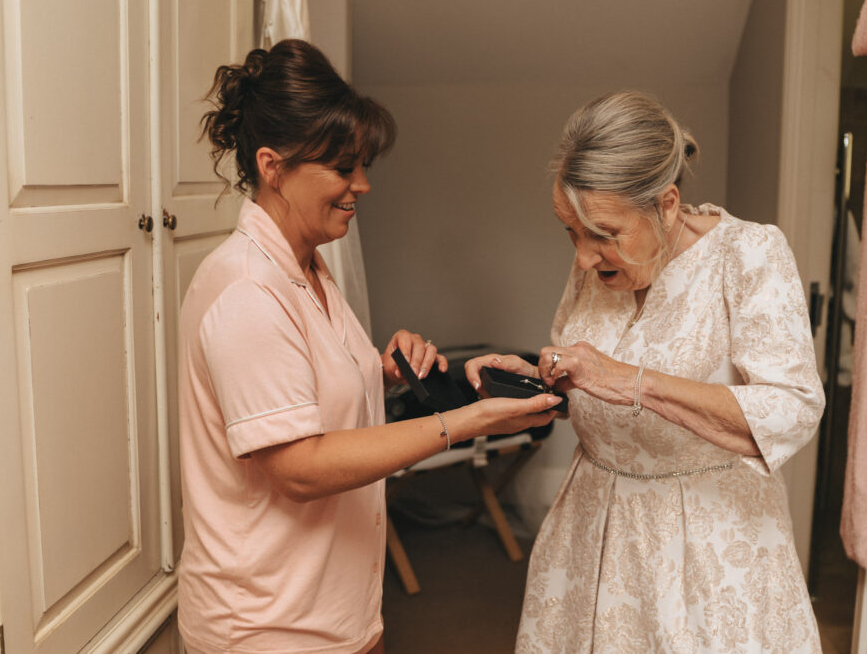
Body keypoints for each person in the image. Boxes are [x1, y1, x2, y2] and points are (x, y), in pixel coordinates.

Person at [177, 39, 562, 654]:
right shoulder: (247, 291)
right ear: (272, 166)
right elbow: (297, 468)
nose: (362, 185)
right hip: (268, 627)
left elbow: (297, 392)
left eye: (363, 166)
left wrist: (380, 372)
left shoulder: (311, 268)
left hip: (338, 609)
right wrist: (467, 421)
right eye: (341, 167)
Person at [466, 91, 825, 653]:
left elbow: (793, 408)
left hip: (708, 541)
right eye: (571, 233)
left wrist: (637, 382)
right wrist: (545, 382)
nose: (584, 257)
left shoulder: (749, 254)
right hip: (593, 529)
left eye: (603, 235)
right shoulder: (596, 261)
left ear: (666, 204)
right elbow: (590, 376)